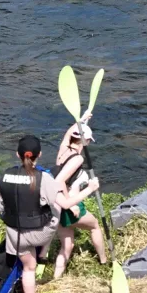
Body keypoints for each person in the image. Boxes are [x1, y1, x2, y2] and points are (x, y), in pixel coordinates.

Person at [0, 135, 102, 293]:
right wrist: (90, 188)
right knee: (56, 207)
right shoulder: (45, 178)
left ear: (17, 155)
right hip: (41, 233)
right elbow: (66, 203)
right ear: (40, 155)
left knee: (29, 268)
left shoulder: (5, 175)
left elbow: (0, 208)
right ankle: (44, 251)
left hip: (15, 234)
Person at [52, 119, 108, 279]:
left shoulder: (63, 151)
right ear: (86, 140)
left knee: (67, 245)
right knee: (95, 226)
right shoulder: (78, 159)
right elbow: (59, 181)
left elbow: (67, 134)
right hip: (67, 204)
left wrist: (82, 119)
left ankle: (56, 278)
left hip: (55, 207)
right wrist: (71, 205)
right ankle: (104, 262)